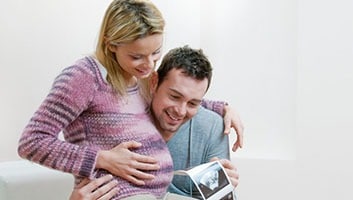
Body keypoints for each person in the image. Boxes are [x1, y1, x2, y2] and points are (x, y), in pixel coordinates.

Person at [17, 1, 242, 200]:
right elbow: (31, 142)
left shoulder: (138, 79)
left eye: (155, 53)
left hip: (157, 194)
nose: (149, 64)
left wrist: (223, 108)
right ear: (111, 44)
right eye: (137, 56)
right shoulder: (84, 77)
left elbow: (176, 97)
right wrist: (102, 159)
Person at [70, 46, 240, 200]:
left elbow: (220, 196)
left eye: (193, 103)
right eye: (174, 97)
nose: (180, 111)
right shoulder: (120, 120)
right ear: (154, 82)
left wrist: (223, 187)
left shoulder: (213, 127)